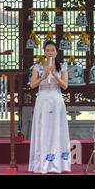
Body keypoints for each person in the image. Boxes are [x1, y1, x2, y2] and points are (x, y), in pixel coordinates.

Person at [28, 40, 71, 174]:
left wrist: (55, 75)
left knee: (57, 129)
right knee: (43, 128)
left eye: (52, 50)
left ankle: (58, 163)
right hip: (43, 100)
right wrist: (44, 76)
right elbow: (32, 85)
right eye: (48, 50)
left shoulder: (62, 66)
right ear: (44, 52)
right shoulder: (38, 66)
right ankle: (42, 163)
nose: (50, 52)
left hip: (56, 99)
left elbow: (65, 86)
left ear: (56, 52)